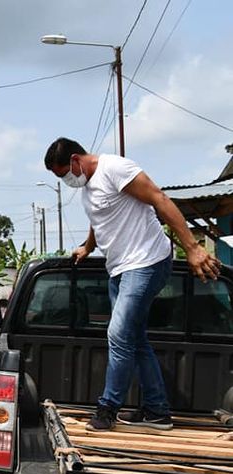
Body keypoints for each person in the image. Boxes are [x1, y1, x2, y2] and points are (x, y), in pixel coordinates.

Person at [44, 137, 221, 432]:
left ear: (75, 160)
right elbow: (100, 219)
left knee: (118, 334)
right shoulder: (89, 188)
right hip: (119, 269)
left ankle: (107, 409)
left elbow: (159, 199)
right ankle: (157, 411)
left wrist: (192, 248)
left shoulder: (115, 168)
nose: (66, 181)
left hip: (147, 262)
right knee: (134, 339)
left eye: (64, 174)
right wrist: (88, 247)